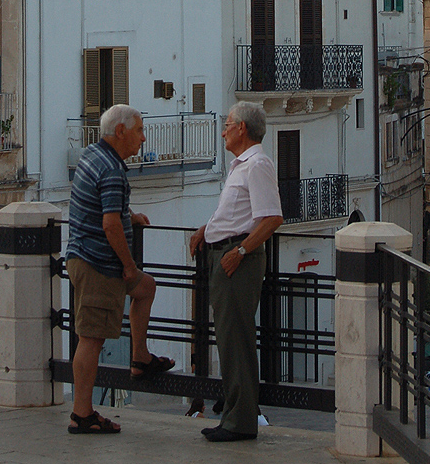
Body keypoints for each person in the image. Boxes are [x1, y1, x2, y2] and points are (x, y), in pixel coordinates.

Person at [65, 104, 174, 434]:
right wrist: (128, 266)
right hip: (99, 265)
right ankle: (81, 414)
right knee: (91, 339)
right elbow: (110, 224)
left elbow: (109, 206)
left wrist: (130, 215)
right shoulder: (112, 170)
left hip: (88, 257)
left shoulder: (93, 156)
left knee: (147, 288)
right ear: (121, 132)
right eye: (139, 130)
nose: (143, 138)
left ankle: (140, 357)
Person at [190, 102, 283, 442]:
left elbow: (271, 217)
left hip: (237, 261)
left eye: (227, 123)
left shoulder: (257, 165)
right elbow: (237, 213)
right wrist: (206, 229)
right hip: (227, 256)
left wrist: (240, 251)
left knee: (236, 338)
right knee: (228, 338)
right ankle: (232, 413)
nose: (223, 129)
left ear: (242, 128)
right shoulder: (241, 166)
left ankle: (240, 421)